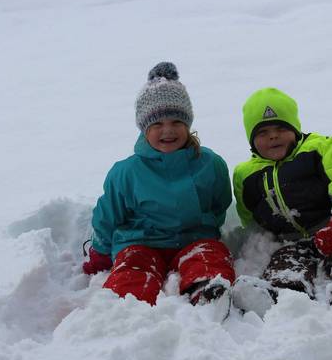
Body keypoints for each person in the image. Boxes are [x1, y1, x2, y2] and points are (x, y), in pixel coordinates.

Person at [82, 62, 235, 307]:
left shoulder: (210, 163)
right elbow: (108, 215)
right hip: (141, 242)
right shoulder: (127, 172)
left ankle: (209, 292)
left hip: (194, 239)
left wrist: (206, 229)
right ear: (144, 129)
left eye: (176, 121)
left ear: (188, 123)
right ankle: (126, 304)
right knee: (133, 265)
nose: (168, 130)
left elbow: (219, 203)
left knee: (210, 256)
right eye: (157, 124)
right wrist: (100, 253)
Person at [231, 87, 332, 317]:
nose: (273, 136)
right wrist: (259, 240)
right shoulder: (245, 175)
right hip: (290, 241)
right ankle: (281, 297)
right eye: (263, 132)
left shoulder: (320, 148)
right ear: (251, 140)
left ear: (295, 129)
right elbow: (249, 215)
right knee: (284, 268)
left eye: (280, 128)